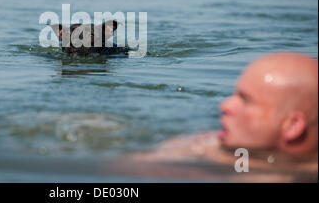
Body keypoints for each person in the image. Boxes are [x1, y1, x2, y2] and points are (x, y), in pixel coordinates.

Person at [108, 52, 318, 182]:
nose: (225, 105)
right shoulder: (204, 145)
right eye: (234, 95)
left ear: (293, 126)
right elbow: (118, 167)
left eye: (246, 100)